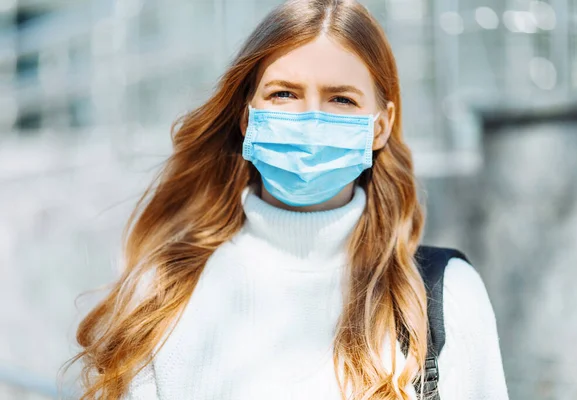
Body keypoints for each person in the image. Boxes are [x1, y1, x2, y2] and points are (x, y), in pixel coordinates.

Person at [63, 0, 509, 399]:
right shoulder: (163, 294)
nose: (309, 119)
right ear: (246, 117)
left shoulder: (444, 298)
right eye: (284, 94)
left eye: (341, 99)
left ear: (380, 125)